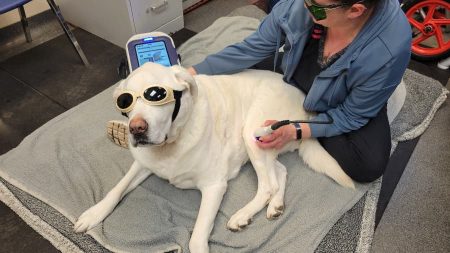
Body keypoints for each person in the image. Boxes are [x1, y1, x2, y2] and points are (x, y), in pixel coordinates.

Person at [109, 0, 411, 183]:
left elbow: (352, 115)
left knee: (369, 164)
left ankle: (312, 109)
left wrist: (297, 129)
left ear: (356, 10)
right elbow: (254, 47)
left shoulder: (389, 50)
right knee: (236, 68)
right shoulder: (303, 6)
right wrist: (193, 73)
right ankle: (298, 97)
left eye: (314, 5)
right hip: (298, 64)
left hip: (346, 96)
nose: (303, 5)